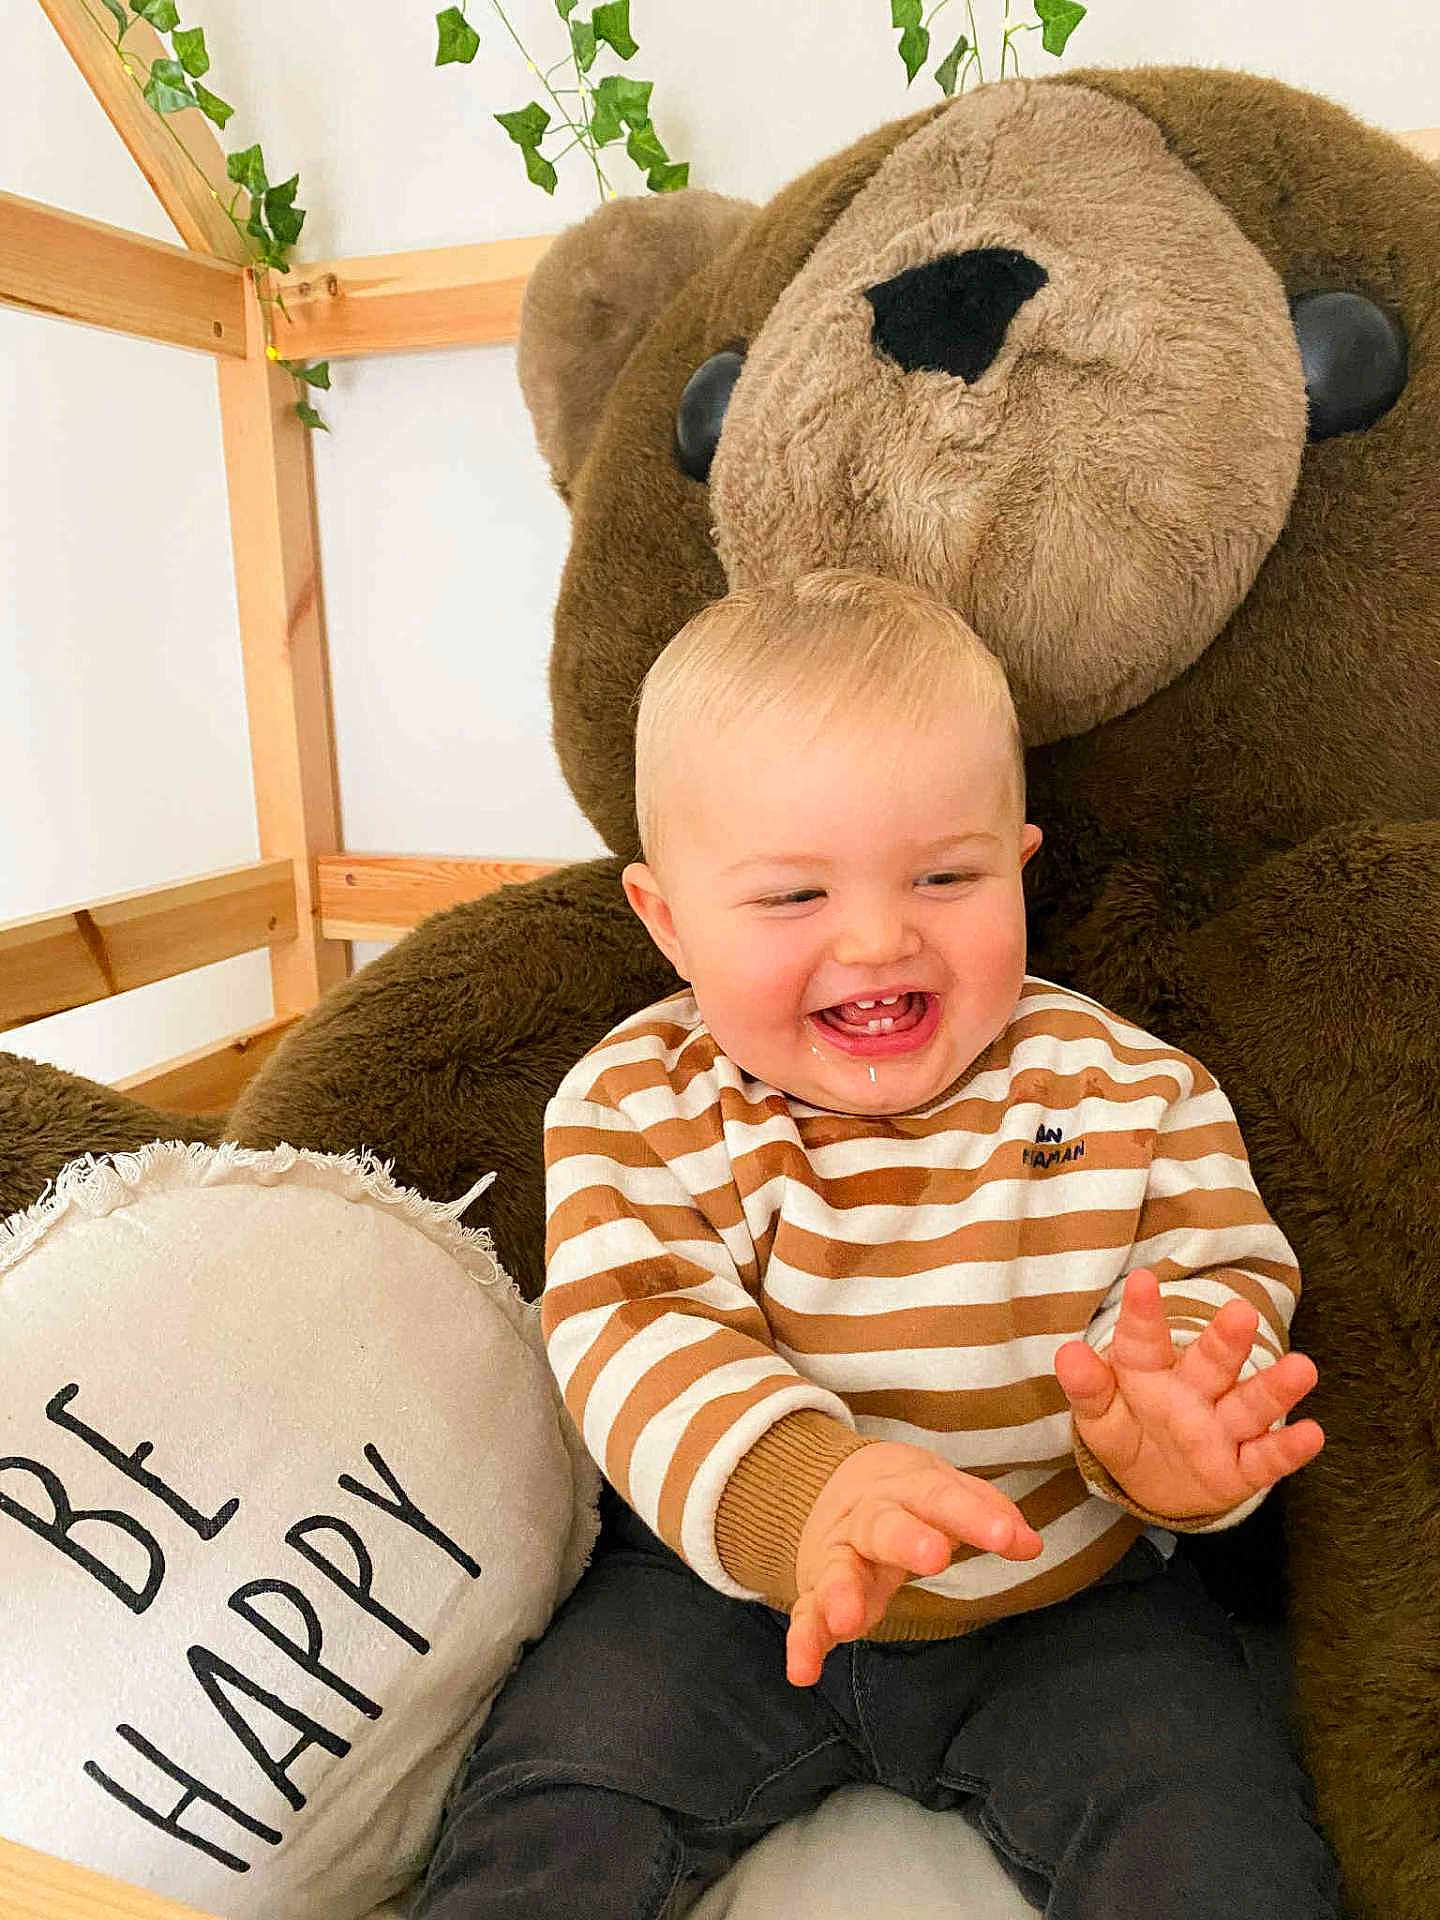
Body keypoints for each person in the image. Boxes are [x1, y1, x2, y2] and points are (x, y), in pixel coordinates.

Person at [417, 569, 1337, 1919]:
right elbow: (630, 1331)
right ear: (668, 923)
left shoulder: (1133, 1091)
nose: (878, 935)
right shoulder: (636, 1103)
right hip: (721, 1602)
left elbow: (1213, 1287)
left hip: (1063, 1595)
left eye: (946, 876)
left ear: (1021, 867)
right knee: (550, 1809)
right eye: (792, 898)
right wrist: (806, 1498)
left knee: (1214, 1831)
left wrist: (1172, 1435)